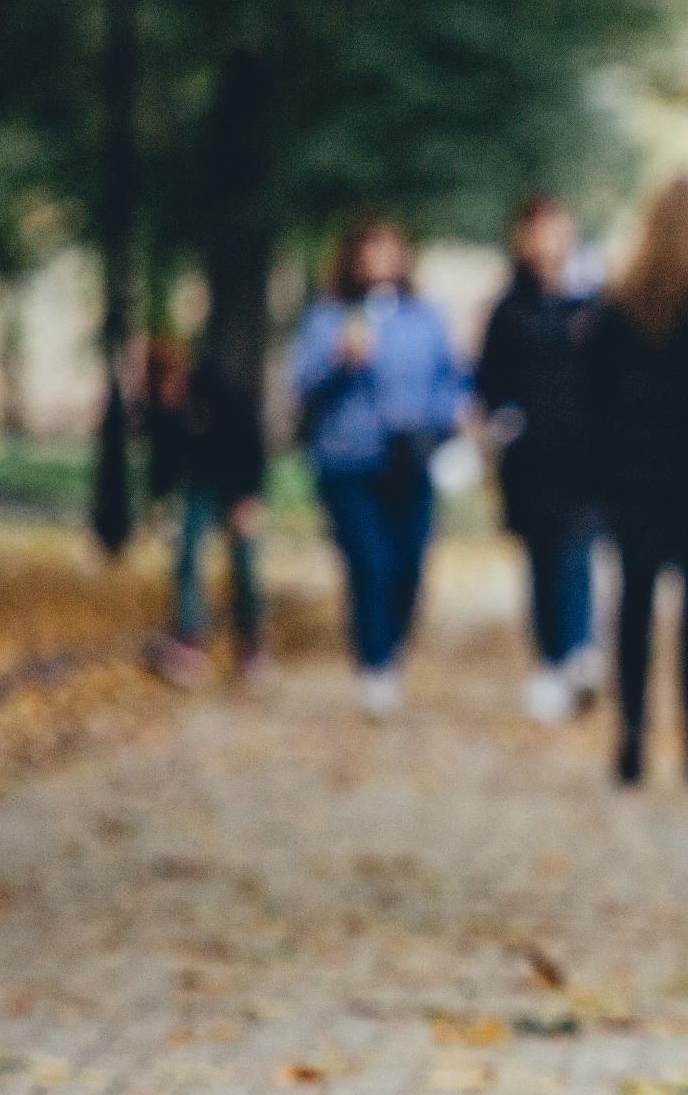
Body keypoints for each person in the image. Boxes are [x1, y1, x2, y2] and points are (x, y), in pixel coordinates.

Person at [580, 175, 688, 787]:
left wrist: (601, 475)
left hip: (637, 482)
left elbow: (589, 402)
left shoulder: (616, 312)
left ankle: (630, 740)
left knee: (634, 608)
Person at [286, 214, 465, 717]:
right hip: (349, 461)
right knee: (369, 563)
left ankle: (393, 646)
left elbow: (452, 379)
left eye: (388, 249)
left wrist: (447, 418)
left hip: (412, 460)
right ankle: (375, 665)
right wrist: (340, 360)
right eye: (368, 251)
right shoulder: (328, 317)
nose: (378, 261)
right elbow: (301, 384)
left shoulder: (425, 316)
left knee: (408, 564)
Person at [477, 195, 598, 722]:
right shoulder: (508, 309)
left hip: (583, 456)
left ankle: (578, 651)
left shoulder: (591, 304)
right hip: (530, 460)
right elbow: (488, 380)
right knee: (543, 563)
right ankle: (552, 660)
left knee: (576, 554)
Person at [143, 333, 267, 685]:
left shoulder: (216, 386)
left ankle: (250, 647)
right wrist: (158, 501)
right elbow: (165, 459)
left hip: (237, 484)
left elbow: (249, 436)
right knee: (187, 558)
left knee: (243, 565)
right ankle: (188, 642)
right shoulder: (164, 405)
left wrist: (248, 498)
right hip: (200, 485)